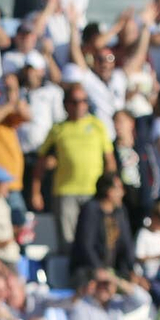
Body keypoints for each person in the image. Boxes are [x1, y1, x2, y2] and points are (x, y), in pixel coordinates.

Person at [34, 85, 115, 247]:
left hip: (94, 193)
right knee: (68, 242)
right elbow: (41, 162)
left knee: (95, 241)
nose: (80, 105)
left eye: (84, 101)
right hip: (65, 192)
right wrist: (36, 192)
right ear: (66, 104)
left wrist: (110, 188)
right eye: (75, 101)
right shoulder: (58, 129)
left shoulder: (98, 126)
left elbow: (110, 161)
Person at [70, 172, 135, 285]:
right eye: (119, 189)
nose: (122, 193)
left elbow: (126, 245)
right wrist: (99, 269)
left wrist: (131, 270)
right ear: (109, 191)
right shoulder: (91, 210)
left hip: (112, 272)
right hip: (89, 271)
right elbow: (86, 245)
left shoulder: (119, 212)